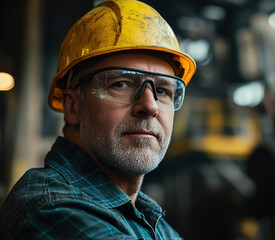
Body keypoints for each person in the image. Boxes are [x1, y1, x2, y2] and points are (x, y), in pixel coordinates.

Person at [0, 0, 196, 239]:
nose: (150, 106)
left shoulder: (145, 217)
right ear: (73, 107)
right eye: (121, 84)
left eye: (164, 90)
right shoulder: (52, 208)